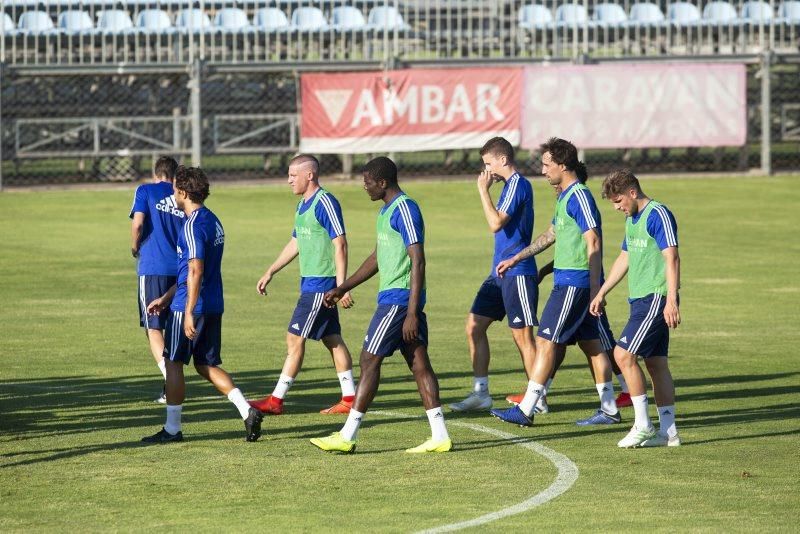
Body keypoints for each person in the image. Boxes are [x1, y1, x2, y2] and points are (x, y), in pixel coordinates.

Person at [309, 157, 451, 454]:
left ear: (383, 182)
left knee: (369, 359)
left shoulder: (405, 209)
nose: (364, 187)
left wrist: (412, 312)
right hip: (397, 301)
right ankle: (440, 436)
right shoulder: (386, 212)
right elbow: (377, 258)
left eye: (368, 182)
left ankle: (347, 435)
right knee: (419, 364)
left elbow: (418, 260)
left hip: (398, 302)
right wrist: (342, 287)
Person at [491, 137, 620, 427]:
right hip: (570, 281)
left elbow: (594, 240)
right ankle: (610, 408)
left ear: (563, 165)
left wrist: (596, 286)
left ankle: (527, 409)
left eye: (547, 165)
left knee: (545, 341)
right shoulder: (564, 197)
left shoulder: (580, 197)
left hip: (575, 283)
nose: (543, 170)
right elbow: (551, 235)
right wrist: (517, 258)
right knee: (592, 345)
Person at [142, 166, 263, 444]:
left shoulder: (192, 224)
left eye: (174, 190)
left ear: (183, 192)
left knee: (173, 363)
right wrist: (166, 297)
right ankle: (247, 410)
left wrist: (186, 313)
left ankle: (172, 429)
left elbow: (195, 270)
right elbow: (191, 272)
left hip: (191, 306)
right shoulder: (213, 220)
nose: (173, 195)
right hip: (212, 304)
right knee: (206, 365)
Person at [248, 155, 356, 416]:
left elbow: (340, 243)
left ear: (310, 175)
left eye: (293, 176)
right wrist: (271, 270)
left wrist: (341, 286)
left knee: (294, 338)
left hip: (321, 286)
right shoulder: (301, 206)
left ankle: (276, 400)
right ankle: (350, 398)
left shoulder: (325, 202)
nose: (288, 180)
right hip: (311, 283)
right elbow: (296, 242)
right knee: (332, 339)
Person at [589, 169, 681, 447]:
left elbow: (672, 257)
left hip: (656, 298)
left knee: (622, 354)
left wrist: (671, 300)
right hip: (638, 299)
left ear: (632, 192)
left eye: (618, 201)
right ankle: (669, 433)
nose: (617, 208)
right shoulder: (632, 219)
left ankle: (642, 425)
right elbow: (625, 257)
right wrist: (602, 291)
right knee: (656, 364)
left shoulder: (658, 214)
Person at [449, 137, 540, 414]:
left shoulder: (517, 185)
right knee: (474, 326)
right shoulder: (508, 187)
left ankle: (538, 399)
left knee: (522, 336)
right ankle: (481, 393)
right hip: (497, 274)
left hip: (518, 273)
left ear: (503, 160)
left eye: (488, 164)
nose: (486, 171)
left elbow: (495, 222)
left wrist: (482, 190)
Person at [130, 156, 184, 403]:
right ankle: (173, 379)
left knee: (154, 328)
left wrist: (134, 247)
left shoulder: (145, 190)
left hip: (153, 268)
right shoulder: (181, 194)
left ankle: (171, 381)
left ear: (156, 174)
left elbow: (138, 225)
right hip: (181, 269)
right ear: (174, 175)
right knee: (174, 326)